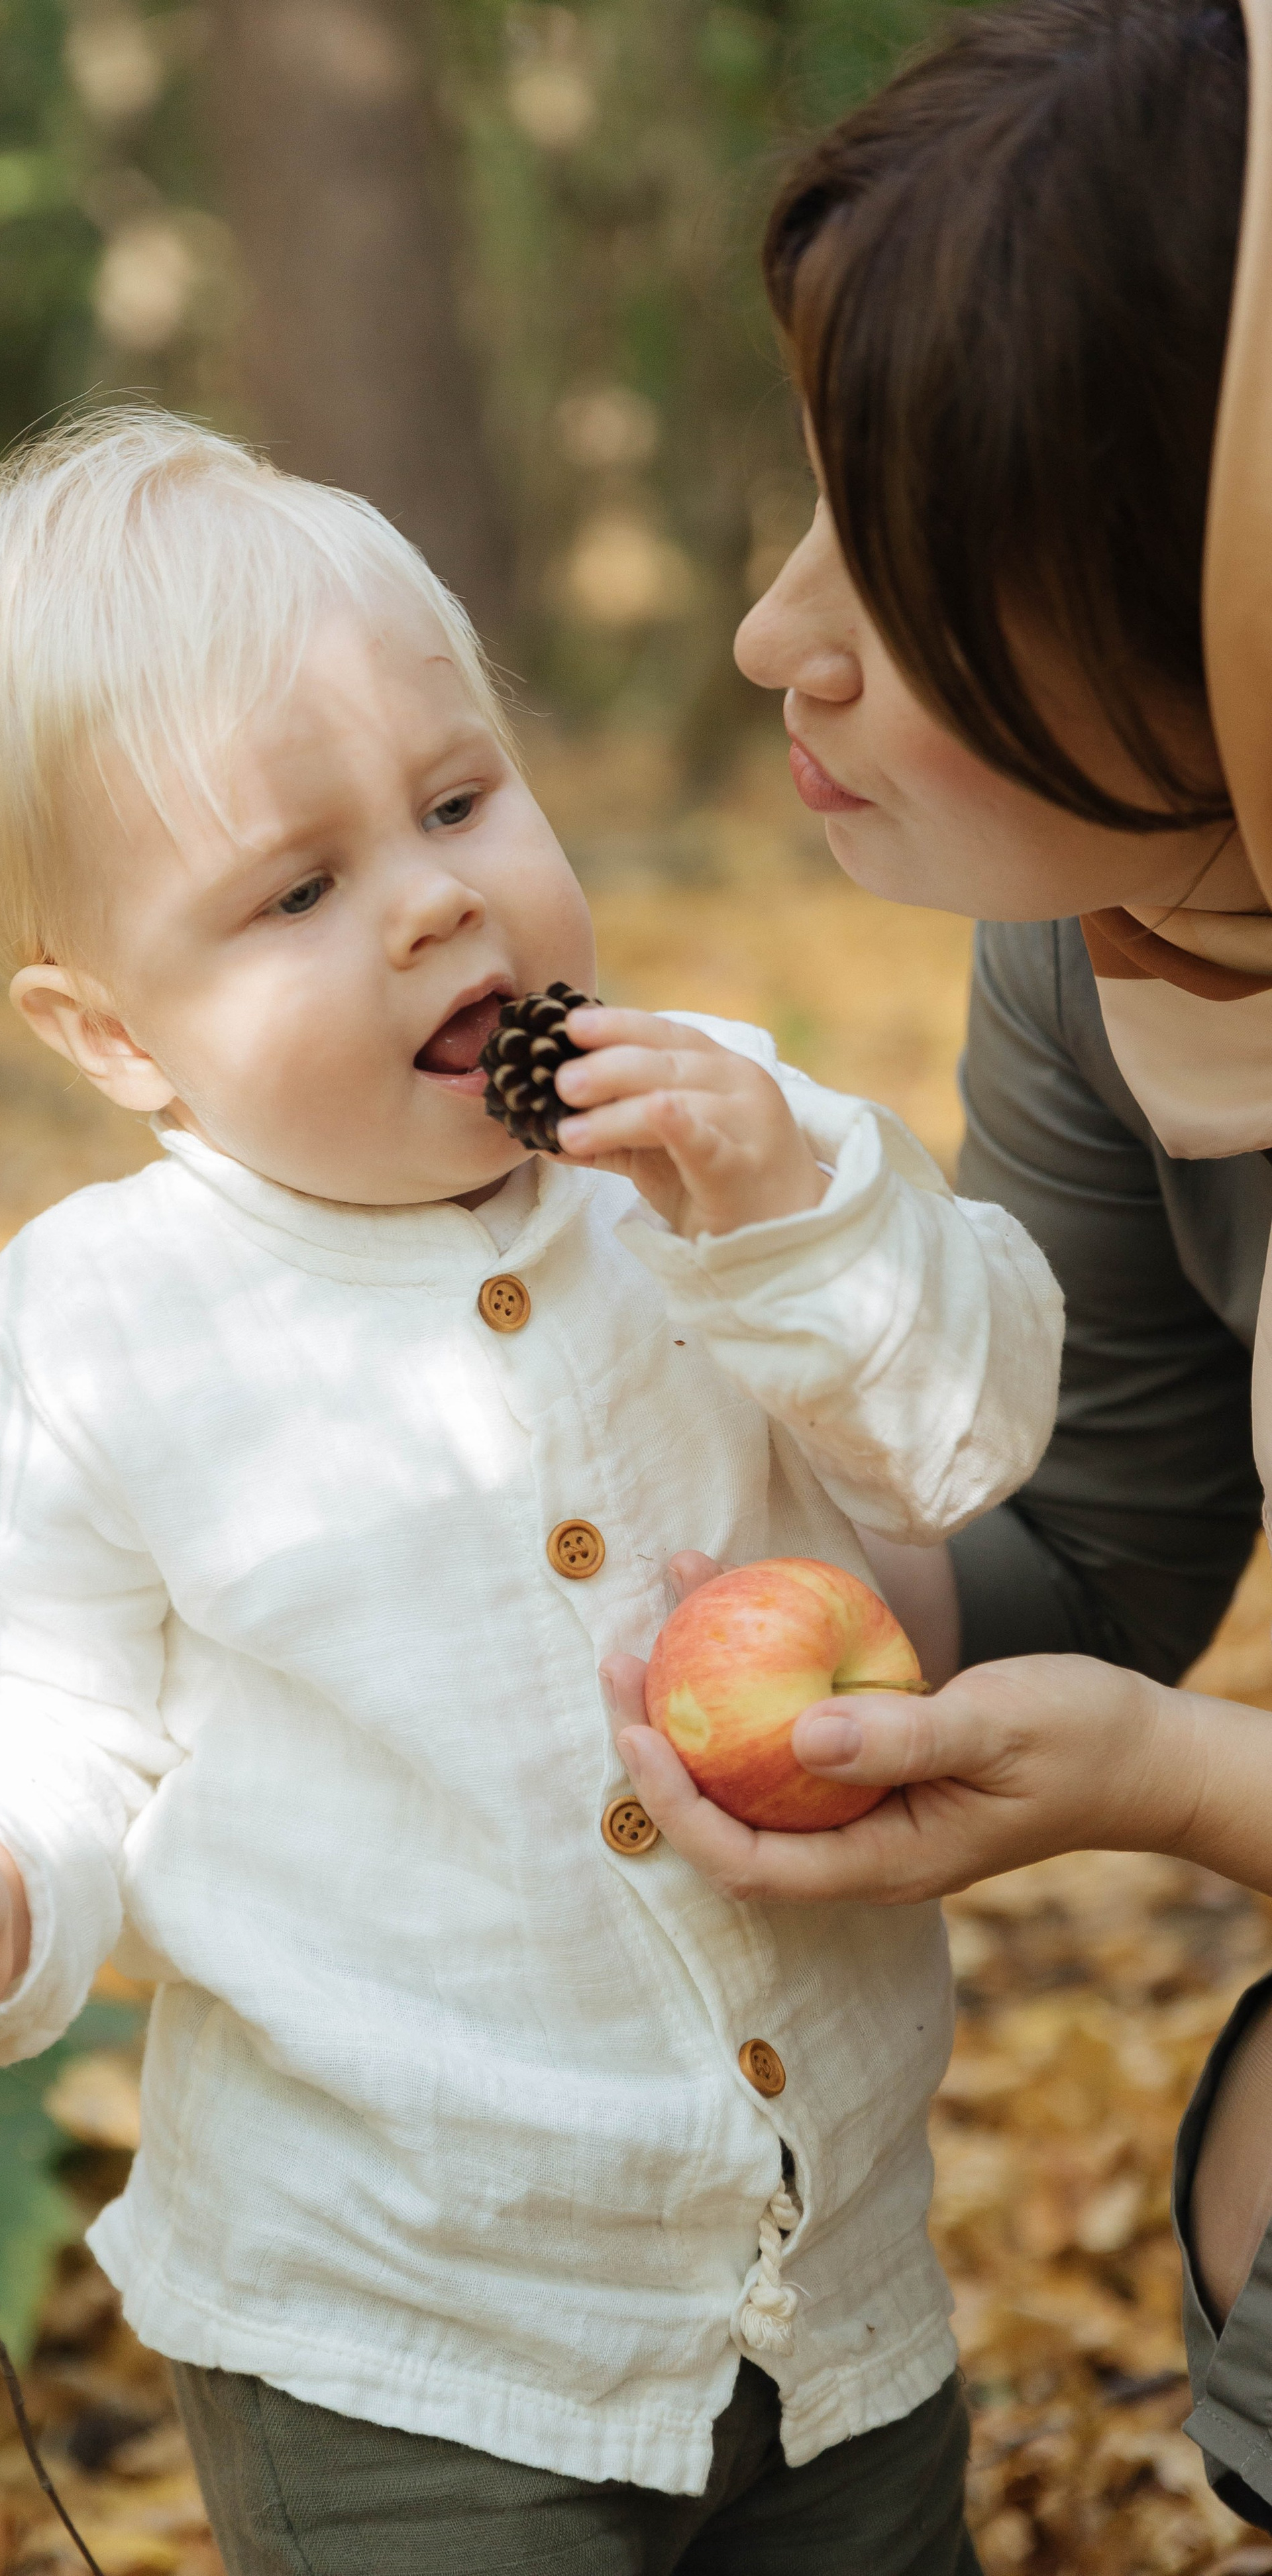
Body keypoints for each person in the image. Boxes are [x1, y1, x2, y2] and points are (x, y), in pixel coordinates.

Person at [0, 410, 1061, 2574]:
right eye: (299, 889)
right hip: (393, 2336)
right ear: (108, 1035)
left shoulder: (715, 1146)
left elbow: (966, 1436)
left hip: (825, 2282)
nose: (438, 897)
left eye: (462, 799)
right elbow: (36, 1699)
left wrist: (789, 1212)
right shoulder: (103, 1325)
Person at [605, 0, 1272, 2533]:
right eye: (810, 508)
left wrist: (1183, 1791)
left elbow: (1149, 1700)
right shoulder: (1126, 932)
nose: (781, 635)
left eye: (913, 548)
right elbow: (1099, 1539)